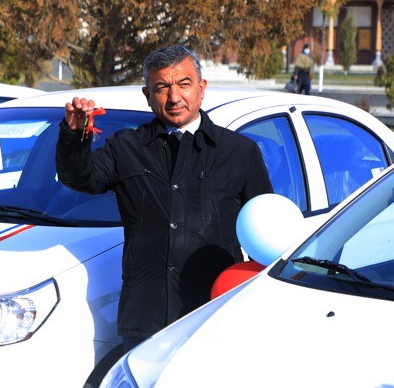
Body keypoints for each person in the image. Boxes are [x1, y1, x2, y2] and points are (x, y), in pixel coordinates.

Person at [55, 45, 273, 351]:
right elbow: (80, 178)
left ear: (201, 88)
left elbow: (266, 232)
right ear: (147, 95)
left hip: (214, 315)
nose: (174, 97)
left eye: (184, 84)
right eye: (162, 88)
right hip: (145, 319)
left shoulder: (239, 152)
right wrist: (74, 134)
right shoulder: (126, 147)